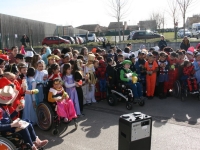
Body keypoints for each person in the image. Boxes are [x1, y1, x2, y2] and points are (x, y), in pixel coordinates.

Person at [0, 79, 48, 150]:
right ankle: (32, 146)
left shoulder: (4, 106)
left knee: (27, 122)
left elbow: (7, 118)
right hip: (5, 130)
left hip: (9, 124)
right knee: (23, 128)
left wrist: (16, 111)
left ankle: (36, 141)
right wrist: (12, 125)